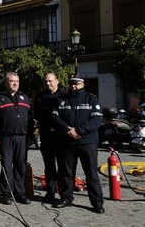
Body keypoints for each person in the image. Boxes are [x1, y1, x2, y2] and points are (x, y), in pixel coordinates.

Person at [52, 76, 105, 213]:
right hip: (67, 141)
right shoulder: (62, 99)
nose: (74, 87)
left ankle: (97, 203)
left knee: (91, 173)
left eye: (77, 84)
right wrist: (67, 130)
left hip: (87, 142)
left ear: (83, 84)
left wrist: (79, 130)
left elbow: (97, 120)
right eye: (71, 84)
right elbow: (55, 117)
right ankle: (66, 198)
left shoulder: (91, 99)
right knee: (67, 172)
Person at [0, 72, 32, 205]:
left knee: (20, 165)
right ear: (6, 82)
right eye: (12, 81)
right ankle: (6, 192)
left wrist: (30, 136)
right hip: (5, 137)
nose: (15, 83)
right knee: (7, 166)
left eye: (17, 81)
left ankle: (19, 192)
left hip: (22, 137)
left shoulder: (25, 97)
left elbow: (30, 118)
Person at [33, 73, 65, 202]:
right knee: (49, 166)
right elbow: (36, 114)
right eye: (45, 81)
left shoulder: (64, 95)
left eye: (50, 81)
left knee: (64, 166)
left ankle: (64, 194)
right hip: (46, 136)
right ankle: (50, 193)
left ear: (57, 81)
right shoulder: (40, 97)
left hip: (62, 136)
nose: (48, 84)